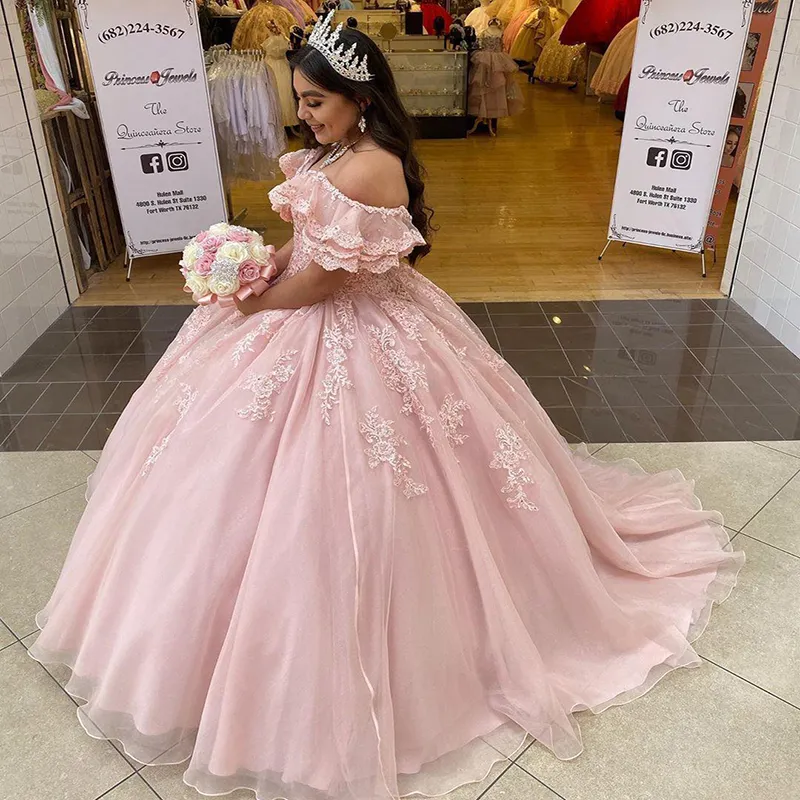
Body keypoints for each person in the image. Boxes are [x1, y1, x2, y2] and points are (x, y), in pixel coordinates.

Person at [30, 11, 743, 800]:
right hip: (316, 304)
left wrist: (257, 303)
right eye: (300, 99)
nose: (302, 114)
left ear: (357, 97)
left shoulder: (372, 165)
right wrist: (261, 260)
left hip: (354, 324)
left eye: (315, 101)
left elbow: (332, 280)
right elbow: (308, 250)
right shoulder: (337, 150)